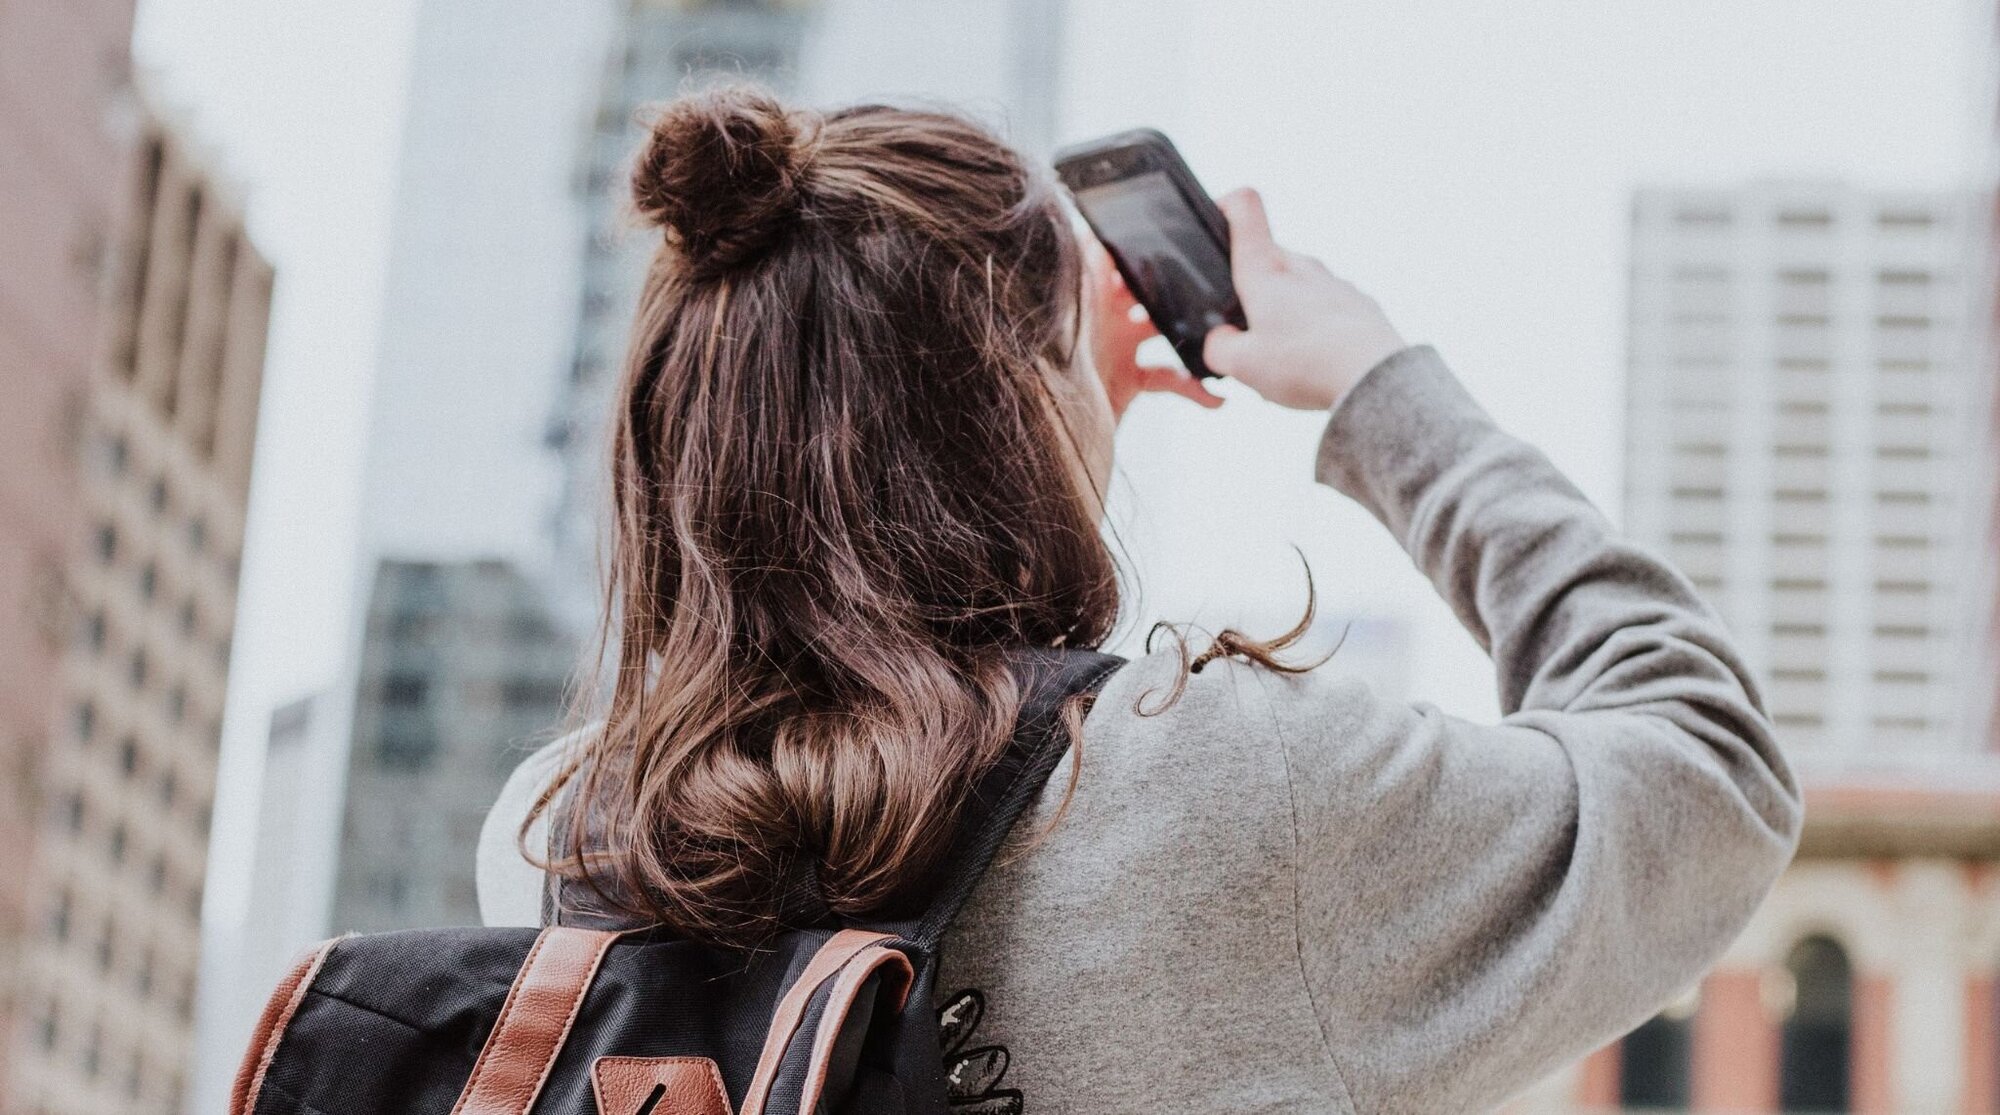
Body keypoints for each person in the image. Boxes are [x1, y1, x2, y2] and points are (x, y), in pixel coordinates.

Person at [477, 87, 1800, 1114]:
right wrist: (1376, 384)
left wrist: (1056, 385)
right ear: (1018, 408)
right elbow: (1707, 769)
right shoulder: (1227, 790)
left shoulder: (561, 837)